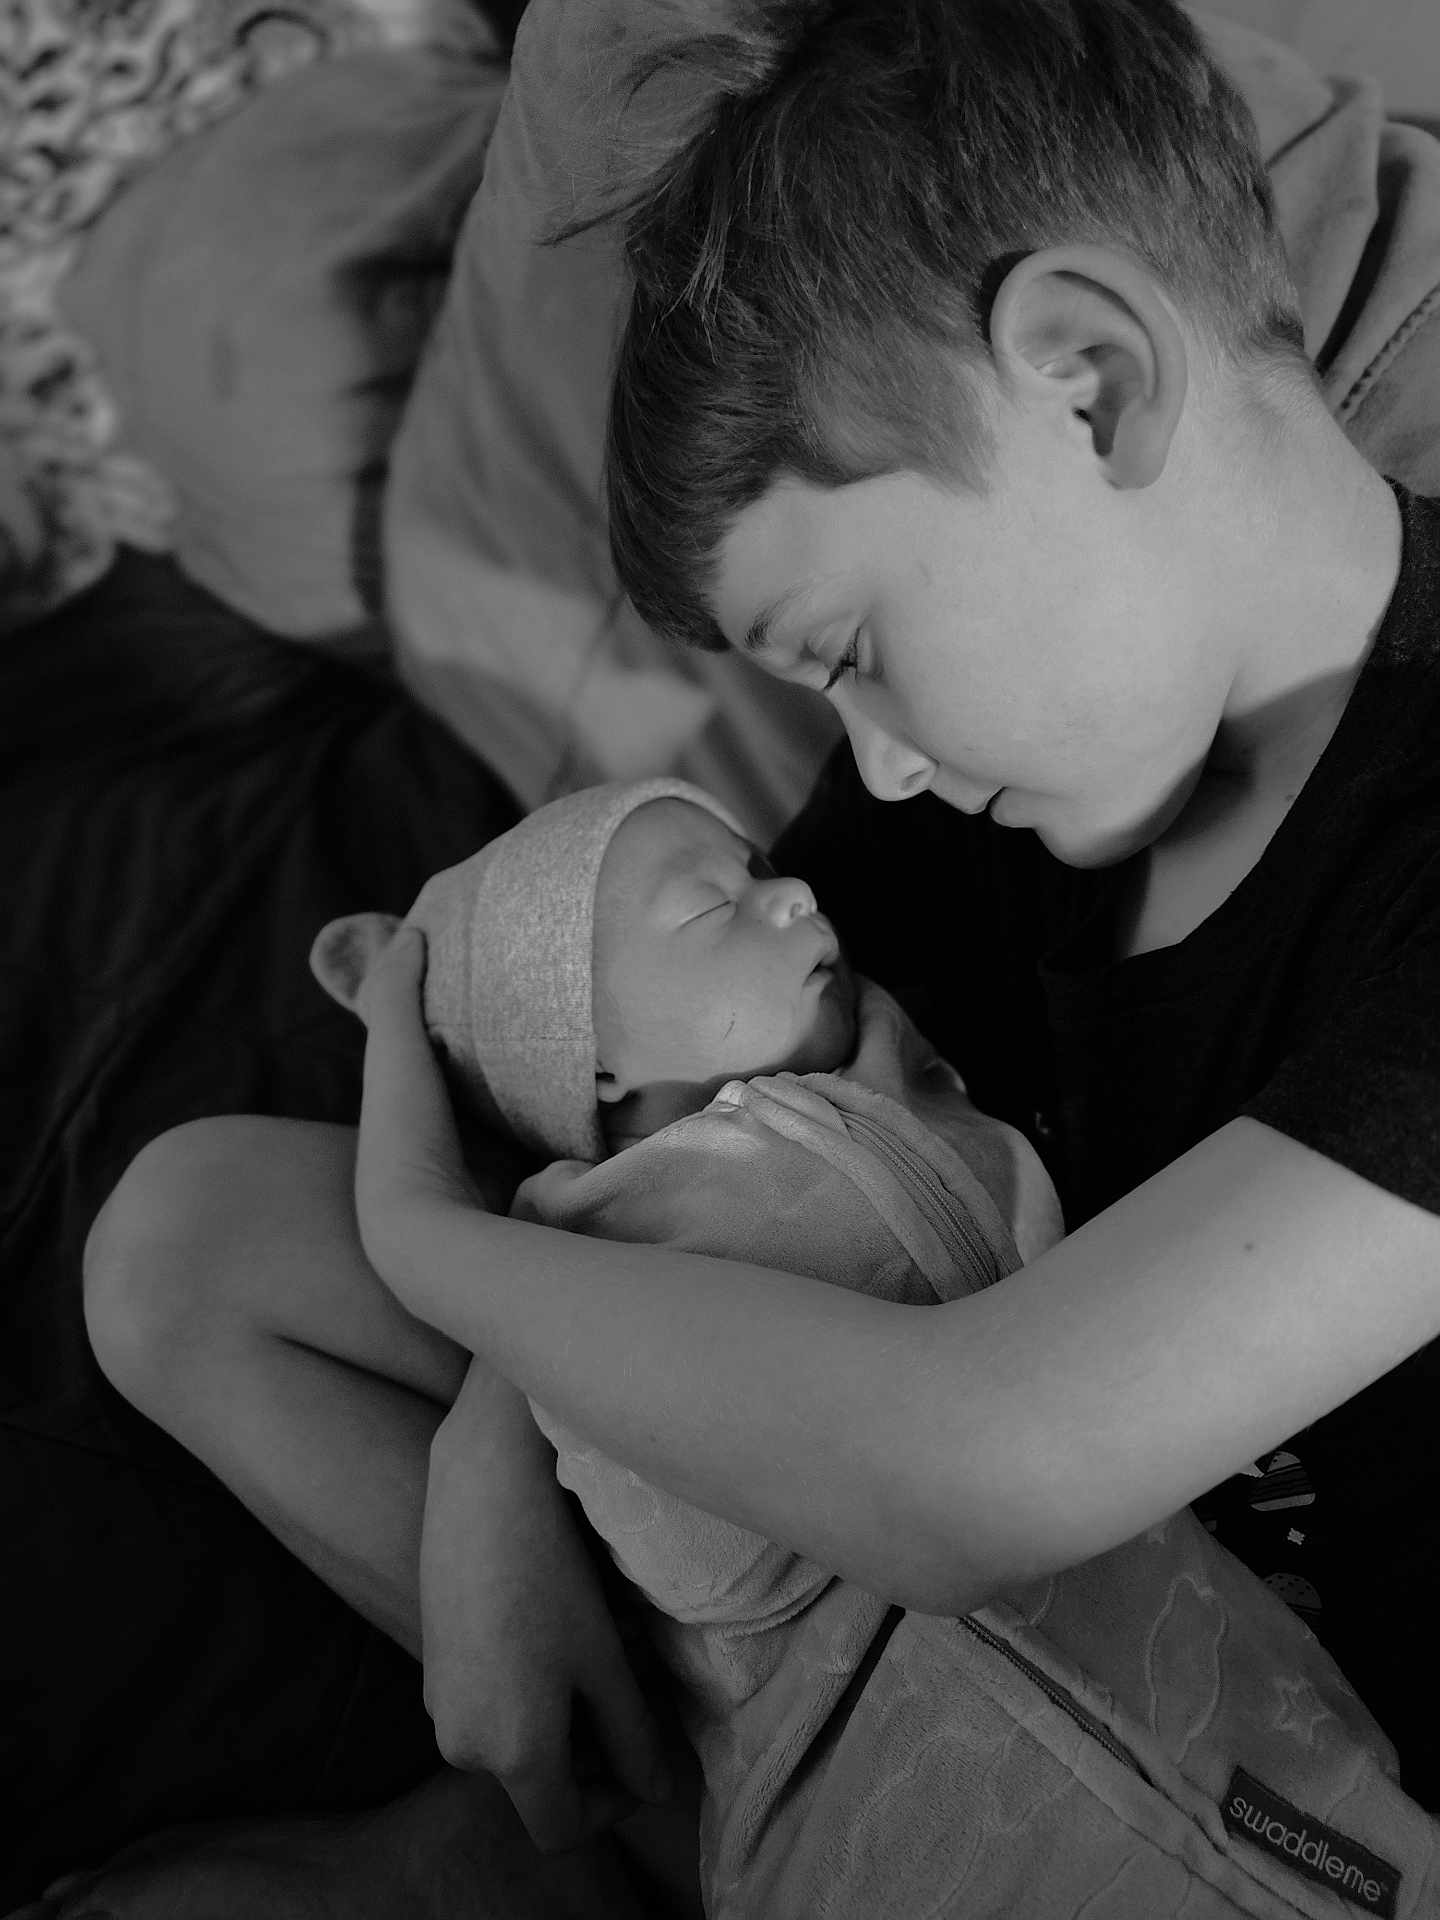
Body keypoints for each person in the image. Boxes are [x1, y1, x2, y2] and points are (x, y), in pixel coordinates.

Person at [47, 0, 1440, 1912]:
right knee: (185, 1237)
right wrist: (490, 1465)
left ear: (1089, 385)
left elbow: (990, 1470)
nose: (871, 765)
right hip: (853, 1607)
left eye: (848, 647)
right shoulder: (1001, 780)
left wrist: (432, 1251)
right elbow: (667, 1130)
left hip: (1270, 1807)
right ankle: (689, 1803)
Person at [311, 775, 1440, 1919]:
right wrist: (399, 1014)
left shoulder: (897, 1068)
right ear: (591, 1067)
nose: (794, 891)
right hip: (908, 1826)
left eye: (758, 868)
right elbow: (416, 1200)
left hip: (1265, 1757)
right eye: (711, 911)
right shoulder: (606, 1242)